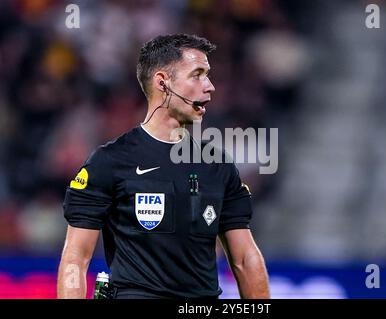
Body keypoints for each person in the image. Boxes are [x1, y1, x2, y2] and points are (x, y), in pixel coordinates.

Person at [57, 34, 270, 299]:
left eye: (208, 75)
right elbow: (76, 258)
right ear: (163, 83)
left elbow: (245, 258)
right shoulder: (109, 162)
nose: (210, 86)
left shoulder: (218, 166)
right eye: (198, 74)